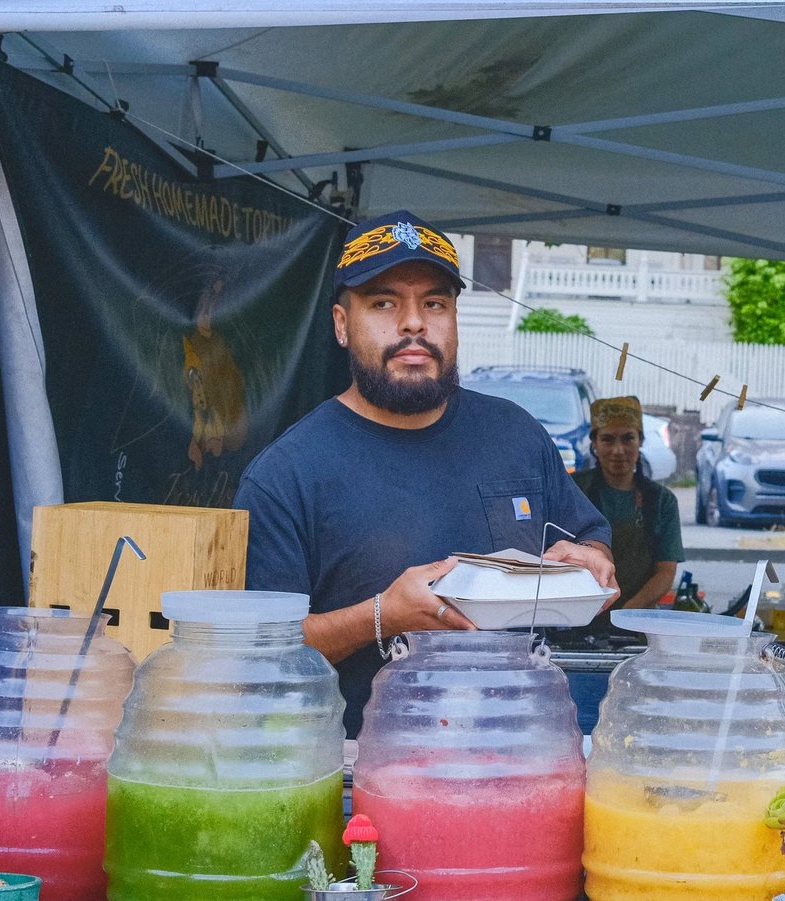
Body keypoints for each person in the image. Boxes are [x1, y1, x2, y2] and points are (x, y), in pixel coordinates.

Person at [233, 210, 616, 735]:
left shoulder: (515, 434)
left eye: (434, 303)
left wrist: (593, 561)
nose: (414, 323)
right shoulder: (287, 474)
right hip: (359, 780)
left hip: (518, 755)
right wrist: (381, 615)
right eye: (384, 303)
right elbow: (259, 654)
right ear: (342, 325)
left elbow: (590, 538)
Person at [572, 396, 685, 617]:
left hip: (637, 621)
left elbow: (666, 571)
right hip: (578, 618)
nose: (618, 450)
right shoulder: (573, 491)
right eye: (607, 440)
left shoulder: (662, 500)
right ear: (594, 443)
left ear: (640, 441)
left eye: (627, 439)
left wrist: (628, 612)